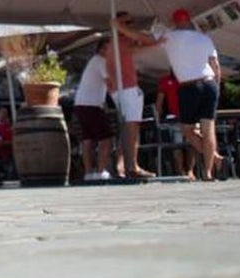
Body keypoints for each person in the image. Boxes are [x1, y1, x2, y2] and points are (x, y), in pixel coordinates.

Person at [156, 8, 222, 181]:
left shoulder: (170, 37)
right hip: (209, 83)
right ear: (190, 21)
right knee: (209, 128)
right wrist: (217, 88)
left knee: (187, 130)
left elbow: (148, 37)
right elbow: (215, 66)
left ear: (175, 22)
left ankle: (213, 157)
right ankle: (208, 171)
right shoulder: (204, 38)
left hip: (189, 86)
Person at [109, 11, 161, 178]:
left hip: (120, 90)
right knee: (131, 127)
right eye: (128, 23)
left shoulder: (116, 43)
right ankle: (133, 166)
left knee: (127, 127)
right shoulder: (120, 41)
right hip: (127, 89)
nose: (131, 26)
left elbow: (148, 44)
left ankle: (121, 164)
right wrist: (122, 28)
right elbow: (149, 41)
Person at [74, 39, 114, 182]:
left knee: (88, 139)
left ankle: (89, 173)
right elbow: (109, 82)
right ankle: (101, 171)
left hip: (81, 103)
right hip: (91, 104)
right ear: (103, 49)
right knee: (106, 139)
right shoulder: (101, 61)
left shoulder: (94, 61)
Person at [154, 69, 193, 178]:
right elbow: (159, 103)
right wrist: (159, 119)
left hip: (190, 117)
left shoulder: (190, 79)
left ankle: (190, 170)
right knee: (177, 145)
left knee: (192, 144)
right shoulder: (165, 81)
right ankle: (180, 172)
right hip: (174, 119)